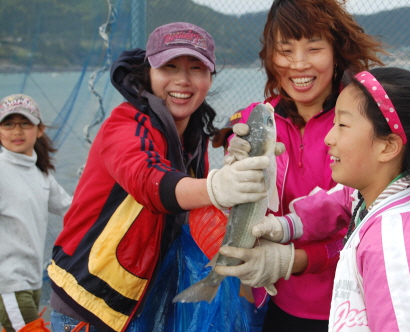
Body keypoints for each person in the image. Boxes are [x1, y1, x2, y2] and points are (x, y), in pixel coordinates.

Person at [47, 22, 271, 332]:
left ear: (209, 77)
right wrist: (217, 186)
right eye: (169, 67)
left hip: (143, 305)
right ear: (148, 73)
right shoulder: (125, 124)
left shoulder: (194, 138)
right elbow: (149, 181)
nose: (183, 80)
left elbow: (197, 213)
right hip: (87, 306)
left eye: (196, 68)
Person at [256, 67, 410, 331]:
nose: (328, 138)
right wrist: (283, 227)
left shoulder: (395, 244)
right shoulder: (402, 192)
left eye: (342, 125)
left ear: (388, 146)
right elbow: (339, 201)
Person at [211, 0, 386, 331]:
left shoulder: (367, 122)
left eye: (314, 48)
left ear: (337, 52)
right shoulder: (255, 119)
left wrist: (295, 260)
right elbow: (239, 214)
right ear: (270, 56)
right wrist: (226, 180)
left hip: (356, 307)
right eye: (285, 50)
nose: (299, 64)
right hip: (274, 304)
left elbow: (372, 228)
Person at [0, 94, 72, 332]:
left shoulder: (41, 174)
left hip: (32, 279)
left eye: (25, 123)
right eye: (8, 124)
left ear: (39, 130)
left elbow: (72, 208)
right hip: (8, 283)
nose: (16, 131)